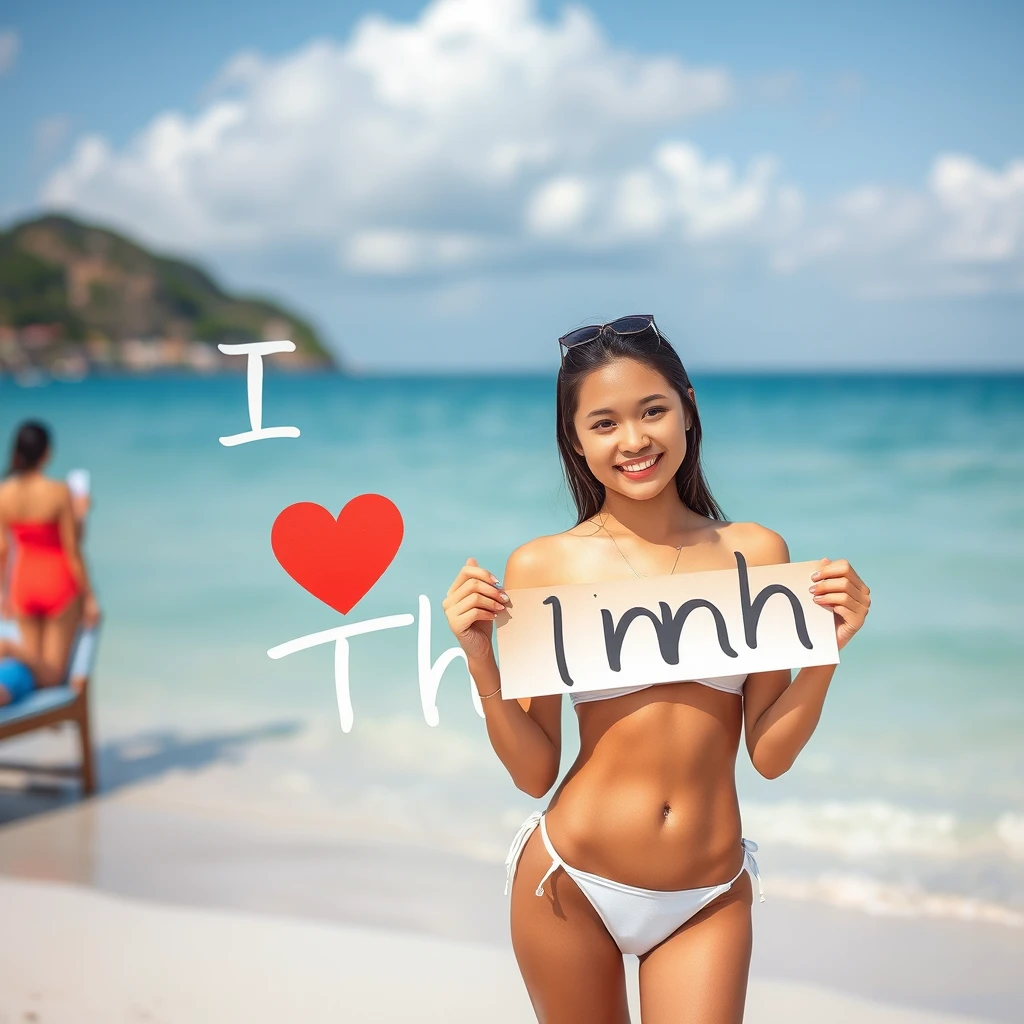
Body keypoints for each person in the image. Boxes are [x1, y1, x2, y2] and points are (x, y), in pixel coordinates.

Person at [443, 316, 871, 1024]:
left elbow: (768, 756)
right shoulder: (544, 566)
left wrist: (829, 652)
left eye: (652, 411)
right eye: (604, 423)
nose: (635, 440)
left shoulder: (757, 554)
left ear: (687, 408)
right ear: (575, 440)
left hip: (708, 893)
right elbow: (533, 771)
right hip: (569, 881)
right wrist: (479, 657)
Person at [0, 420, 101, 707]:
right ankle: (8, 648)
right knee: (53, 676)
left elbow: (2, 550)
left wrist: (3, 594)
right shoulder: (59, 492)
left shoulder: (4, 493)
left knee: (33, 671)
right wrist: (90, 597)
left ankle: (11, 679)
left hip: (24, 583)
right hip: (58, 582)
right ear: (46, 453)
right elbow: (73, 548)